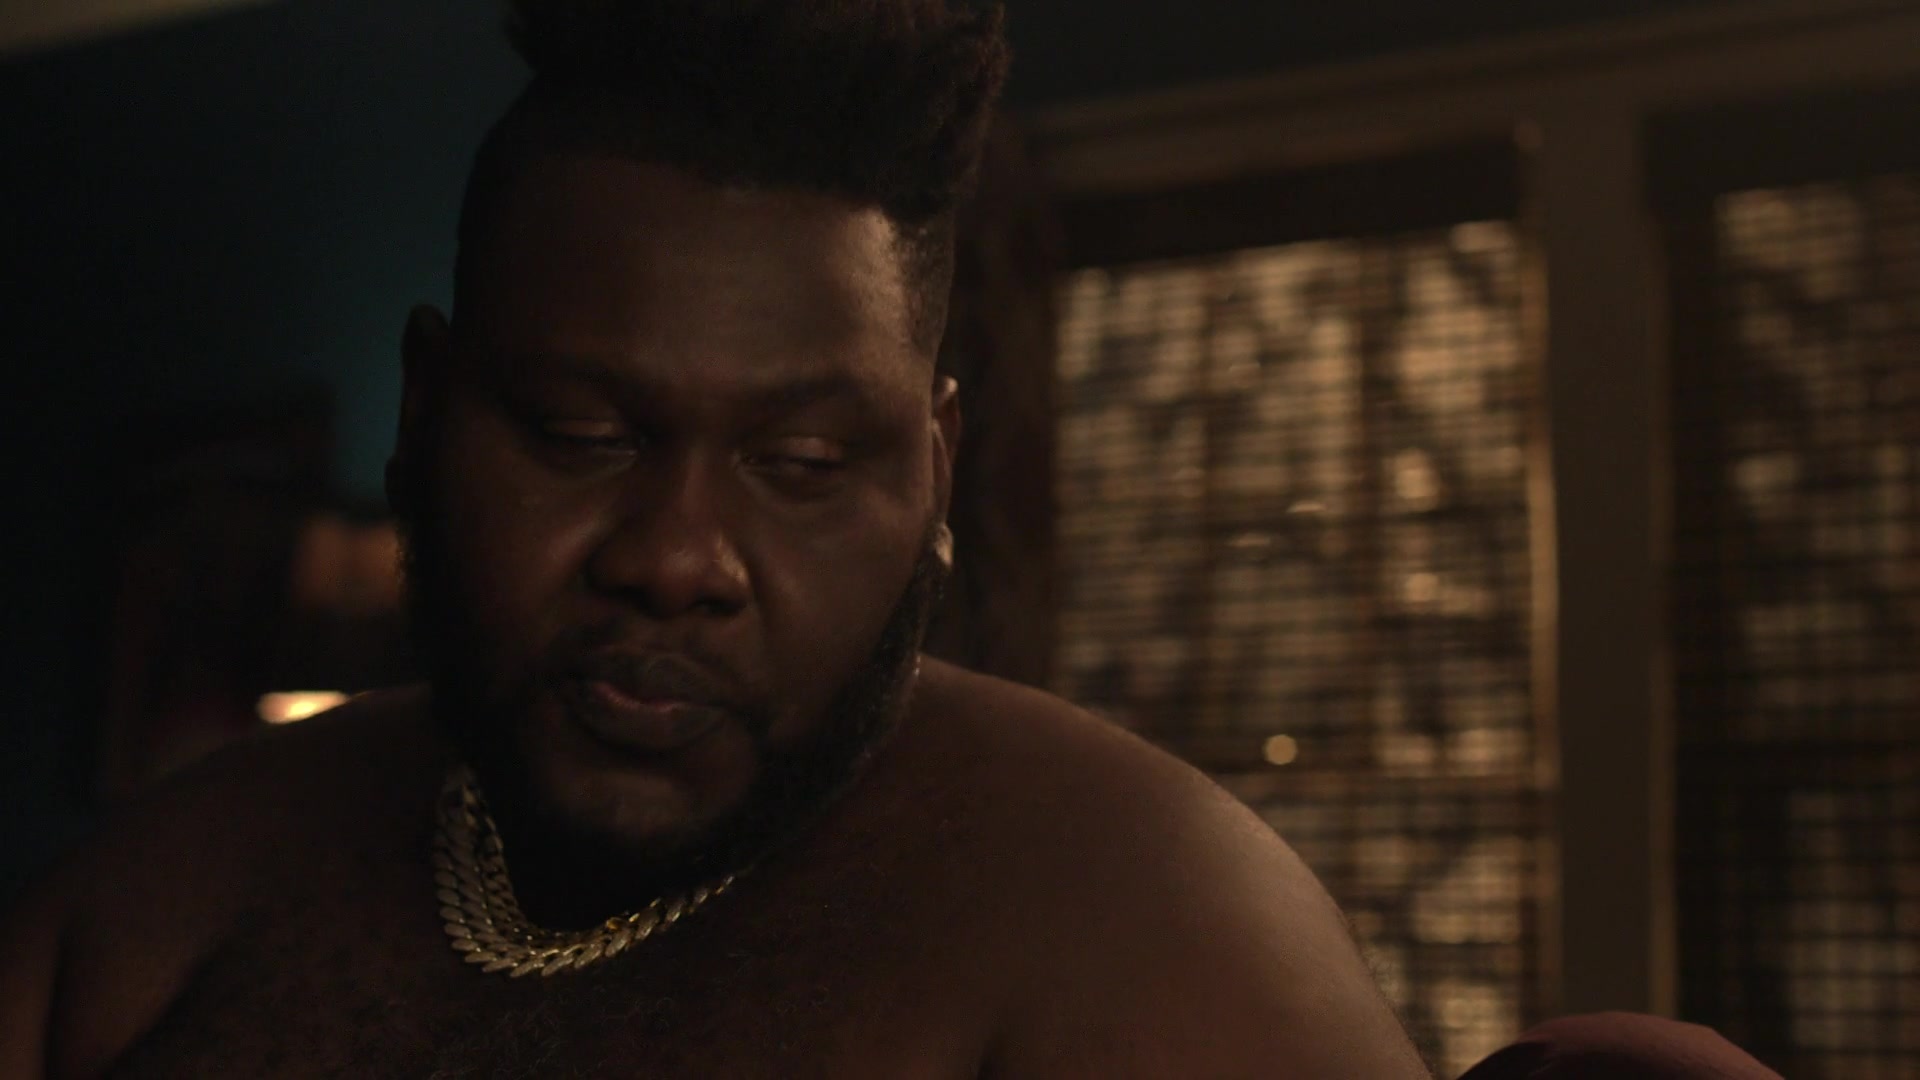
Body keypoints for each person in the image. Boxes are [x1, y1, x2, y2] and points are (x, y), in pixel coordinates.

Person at [0, 2, 1436, 1076]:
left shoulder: (1151, 925)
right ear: (426, 413)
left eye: (799, 463)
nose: (678, 556)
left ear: (935, 474)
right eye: (581, 433)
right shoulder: (162, 902)